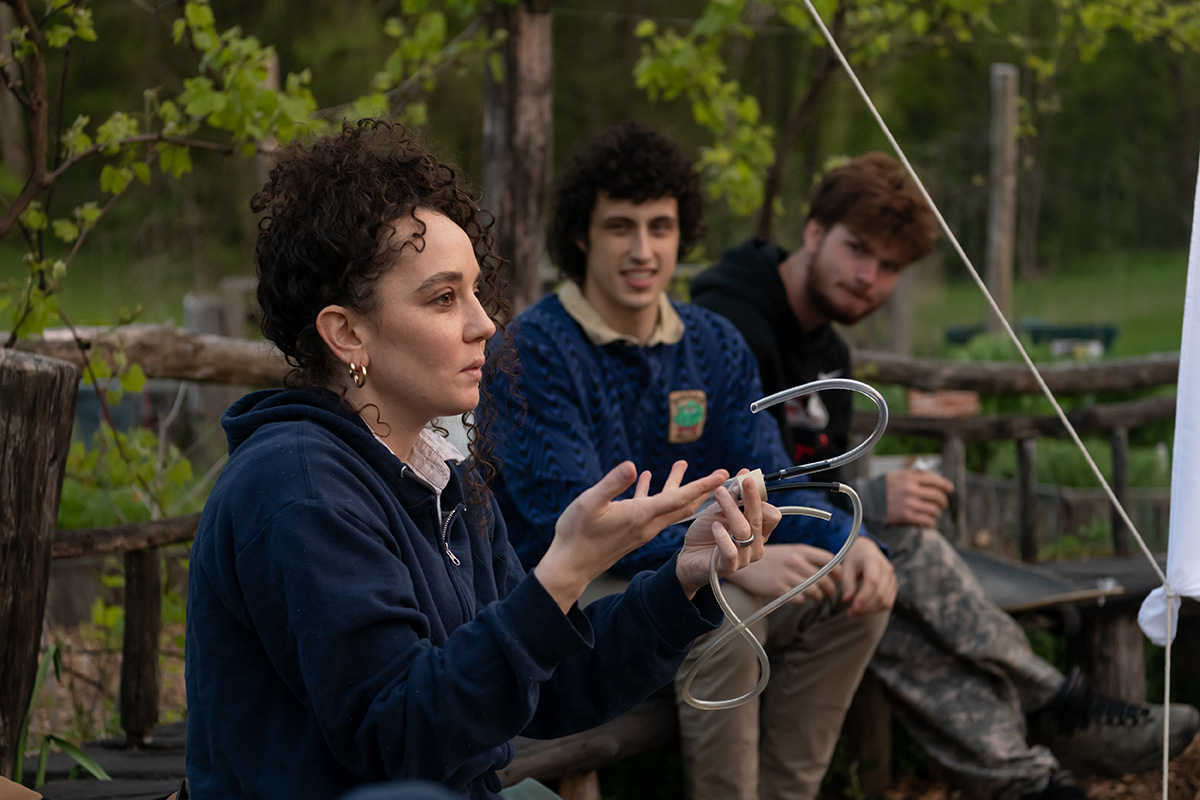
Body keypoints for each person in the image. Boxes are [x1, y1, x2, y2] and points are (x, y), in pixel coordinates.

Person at [183, 119, 783, 800]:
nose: (485, 324)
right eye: (444, 298)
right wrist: (563, 573)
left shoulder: (444, 475)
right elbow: (403, 739)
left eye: (476, 290)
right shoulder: (296, 488)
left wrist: (681, 581)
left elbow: (543, 688)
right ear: (347, 332)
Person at [691, 151, 1200, 800]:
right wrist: (872, 501)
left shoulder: (832, 353)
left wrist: (861, 511)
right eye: (858, 251)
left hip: (802, 560)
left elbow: (821, 484)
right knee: (901, 550)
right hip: (721, 557)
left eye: (890, 268)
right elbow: (734, 475)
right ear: (813, 232)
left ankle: (1028, 782)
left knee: (886, 604)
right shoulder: (728, 321)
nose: (869, 278)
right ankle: (1051, 702)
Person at [489, 121, 896, 800]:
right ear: (583, 235)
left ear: (683, 234)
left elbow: (766, 472)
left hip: (698, 563)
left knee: (851, 597)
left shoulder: (714, 343)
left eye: (661, 226)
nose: (643, 250)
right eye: (621, 226)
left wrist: (846, 541)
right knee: (729, 613)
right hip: (570, 589)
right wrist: (724, 560)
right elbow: (571, 523)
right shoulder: (533, 351)